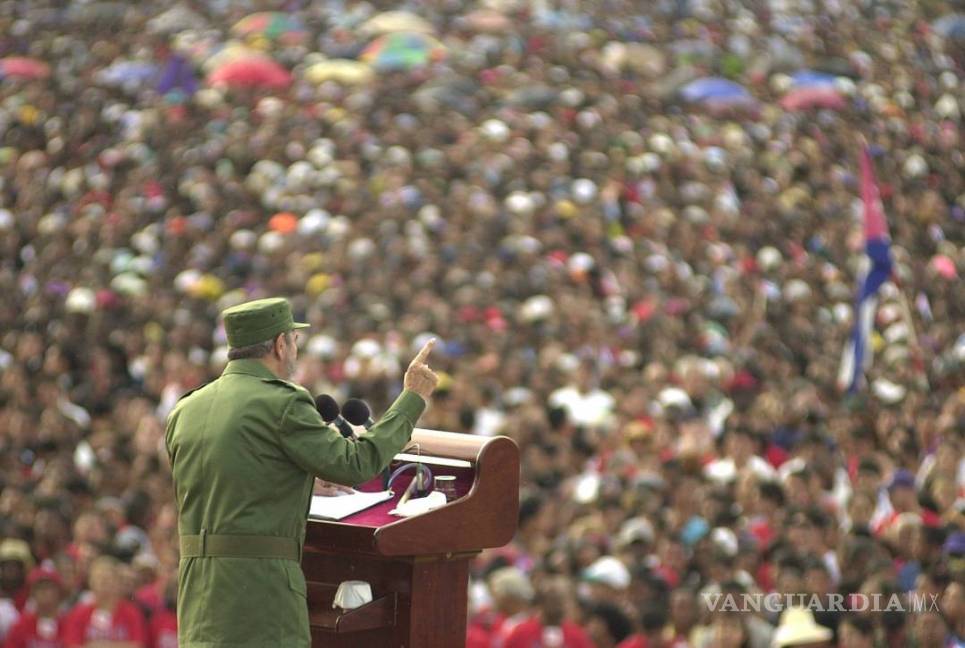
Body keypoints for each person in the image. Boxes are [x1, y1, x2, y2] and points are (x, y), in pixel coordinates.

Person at [165, 297, 438, 647]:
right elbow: (357, 464)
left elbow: (228, 485)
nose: (296, 349)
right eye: (295, 340)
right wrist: (412, 398)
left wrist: (301, 481)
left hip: (198, 592)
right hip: (261, 593)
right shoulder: (283, 401)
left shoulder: (186, 408)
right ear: (280, 344)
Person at [61, 556, 147, 647]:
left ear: (118, 582)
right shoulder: (79, 613)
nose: (103, 583)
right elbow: (72, 644)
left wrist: (104, 646)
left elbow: (138, 645)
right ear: (91, 583)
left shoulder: (131, 613)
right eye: (99, 579)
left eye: (108, 579)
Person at [3, 566, 66, 648]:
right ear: (32, 593)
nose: (44, 592)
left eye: (49, 587)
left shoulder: (68, 622)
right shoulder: (21, 625)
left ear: (58, 591)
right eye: (39, 588)